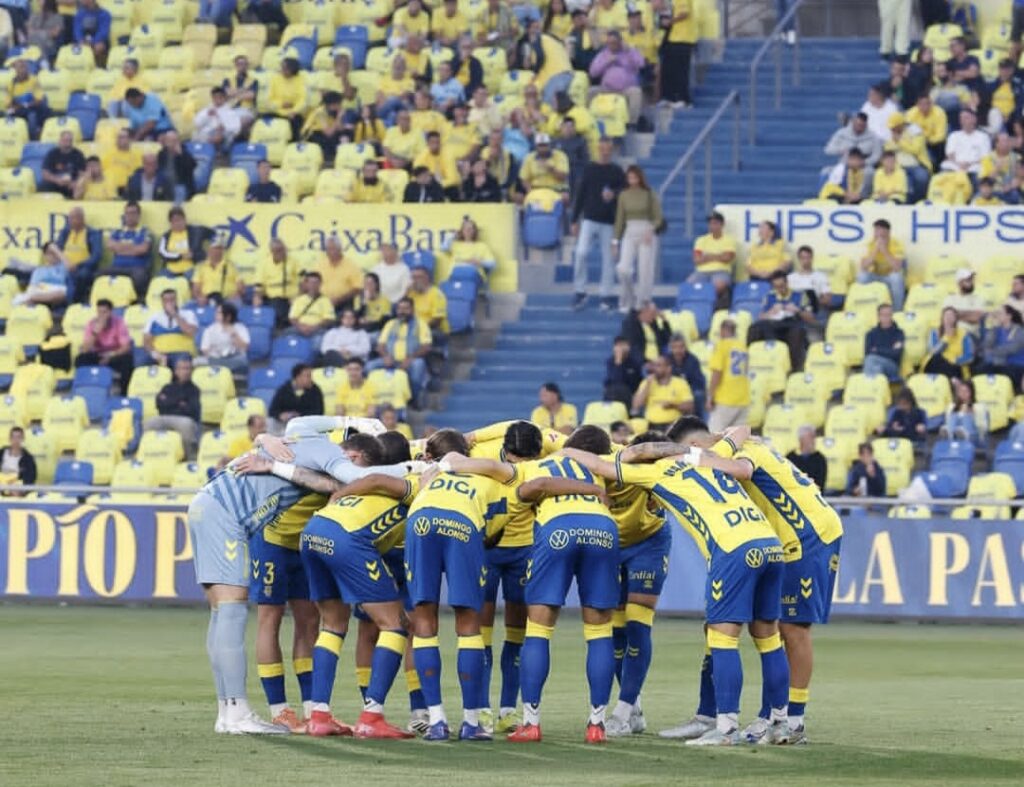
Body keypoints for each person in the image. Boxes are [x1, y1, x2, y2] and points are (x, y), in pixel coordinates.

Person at [185, 414, 417, 735]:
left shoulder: (298, 436)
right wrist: (412, 469)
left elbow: (324, 472)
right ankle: (237, 712)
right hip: (227, 514)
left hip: (208, 503)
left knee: (221, 613)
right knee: (232, 613)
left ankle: (228, 711)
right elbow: (351, 477)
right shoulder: (329, 453)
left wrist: (351, 419)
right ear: (353, 453)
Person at [565, 419, 790, 747]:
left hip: (733, 548)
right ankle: (781, 724)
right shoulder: (706, 457)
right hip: (770, 544)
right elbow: (741, 429)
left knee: (722, 640)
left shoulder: (654, 472)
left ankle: (726, 729)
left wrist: (565, 448)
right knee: (769, 639)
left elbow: (598, 463)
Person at [438, 430, 617, 743]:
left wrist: (446, 463)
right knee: (600, 630)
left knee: (539, 629)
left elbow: (462, 464)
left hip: (558, 529)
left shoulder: (529, 468)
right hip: (602, 527)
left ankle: (531, 723)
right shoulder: (596, 464)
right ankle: (596, 726)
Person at [670, 427, 842, 746]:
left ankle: (792, 722)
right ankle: (769, 718)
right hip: (789, 538)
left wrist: (693, 458)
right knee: (771, 628)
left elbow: (744, 468)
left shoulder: (741, 450)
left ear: (695, 444)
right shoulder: (739, 444)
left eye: (689, 451)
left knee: (793, 629)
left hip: (809, 536)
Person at [571, 137, 625, 311]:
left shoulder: (617, 171)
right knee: (580, 253)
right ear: (597, 149)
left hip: (609, 220)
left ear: (612, 150)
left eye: (608, 149)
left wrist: (614, 194)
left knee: (609, 259)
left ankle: (606, 295)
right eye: (602, 148)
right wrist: (574, 220)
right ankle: (580, 290)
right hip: (589, 218)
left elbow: (625, 191)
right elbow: (580, 194)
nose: (605, 151)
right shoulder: (589, 169)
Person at [614, 165, 665, 313]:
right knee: (623, 268)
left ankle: (643, 300)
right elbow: (620, 219)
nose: (632, 180)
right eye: (629, 177)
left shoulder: (649, 194)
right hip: (630, 230)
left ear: (640, 177)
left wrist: (652, 229)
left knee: (645, 270)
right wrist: (615, 240)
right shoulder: (624, 195)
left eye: (635, 177)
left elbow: (658, 217)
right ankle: (628, 297)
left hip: (646, 230)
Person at [747, 271, 814, 372]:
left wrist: (798, 310)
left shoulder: (800, 295)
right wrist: (771, 312)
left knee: (796, 332)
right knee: (755, 328)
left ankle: (794, 368)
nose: (780, 289)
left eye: (782, 286)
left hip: (792, 324)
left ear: (787, 283)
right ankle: (752, 361)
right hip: (774, 325)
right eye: (776, 287)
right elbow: (761, 317)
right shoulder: (770, 297)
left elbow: (811, 318)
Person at [370, 298, 433, 398]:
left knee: (418, 366)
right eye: (400, 309)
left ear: (412, 310)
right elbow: (380, 345)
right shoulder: (390, 324)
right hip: (390, 359)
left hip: (412, 359)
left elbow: (426, 346)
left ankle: (413, 399)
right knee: (370, 367)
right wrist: (386, 356)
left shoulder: (420, 324)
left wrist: (411, 358)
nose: (402, 312)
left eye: (406, 309)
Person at [144, 356, 202, 455]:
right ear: (176, 371)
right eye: (183, 369)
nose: (186, 372)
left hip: (184, 418)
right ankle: (148, 453)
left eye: (188, 369)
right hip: (165, 416)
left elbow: (191, 409)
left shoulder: (194, 389)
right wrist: (179, 402)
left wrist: (170, 401)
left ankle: (189, 455)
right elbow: (159, 404)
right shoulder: (168, 387)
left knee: (186, 425)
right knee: (150, 423)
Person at [77, 297, 133, 394]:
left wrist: (111, 355)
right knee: (80, 359)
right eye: (99, 312)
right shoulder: (91, 324)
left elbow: (126, 347)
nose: (101, 315)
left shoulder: (119, 323)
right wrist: (95, 333)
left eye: (104, 312)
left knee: (127, 360)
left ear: (111, 312)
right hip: (98, 354)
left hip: (114, 354)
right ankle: (85, 389)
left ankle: (124, 392)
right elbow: (85, 349)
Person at [589, 31, 645, 125]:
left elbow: (641, 64)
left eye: (614, 43)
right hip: (606, 89)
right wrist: (607, 62)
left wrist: (630, 51)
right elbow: (593, 72)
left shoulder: (629, 51)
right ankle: (588, 120)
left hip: (625, 90)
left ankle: (632, 123)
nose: (612, 45)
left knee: (636, 92)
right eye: (609, 43)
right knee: (590, 91)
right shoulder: (603, 54)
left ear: (620, 42)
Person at [707, 319, 750, 433]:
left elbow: (717, 373)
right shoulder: (743, 346)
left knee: (714, 436)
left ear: (722, 330)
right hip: (743, 398)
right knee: (737, 440)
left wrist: (710, 396)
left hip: (726, 398)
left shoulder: (722, 345)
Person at [631, 354, 694, 430]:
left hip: (673, 426)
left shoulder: (680, 383)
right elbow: (636, 405)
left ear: (668, 368)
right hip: (651, 426)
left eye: (658, 365)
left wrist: (673, 406)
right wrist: (647, 385)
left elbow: (690, 406)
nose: (654, 368)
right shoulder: (647, 382)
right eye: (654, 365)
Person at [106, 201, 153, 296]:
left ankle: (135, 301)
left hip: (136, 267)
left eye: (133, 213)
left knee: (140, 277)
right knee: (98, 275)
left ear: (139, 215)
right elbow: (110, 245)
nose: (130, 216)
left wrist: (120, 248)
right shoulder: (118, 231)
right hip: (117, 267)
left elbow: (143, 249)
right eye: (127, 213)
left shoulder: (145, 231)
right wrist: (133, 249)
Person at [56, 207, 103, 302]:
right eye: (69, 218)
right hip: (64, 266)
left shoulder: (92, 234)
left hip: (83, 268)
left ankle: (72, 303)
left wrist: (78, 265)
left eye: (73, 218)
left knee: (80, 276)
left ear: (81, 219)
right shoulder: (65, 232)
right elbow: (58, 249)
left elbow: (96, 256)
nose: (70, 221)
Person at [690, 211, 737, 305]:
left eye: (715, 223)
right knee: (688, 286)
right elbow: (696, 259)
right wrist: (718, 256)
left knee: (717, 286)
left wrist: (707, 257)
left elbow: (727, 258)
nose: (712, 226)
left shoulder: (729, 240)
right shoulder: (701, 240)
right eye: (710, 223)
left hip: (721, 271)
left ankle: (707, 306)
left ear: (722, 225)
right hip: (702, 272)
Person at [857, 218, 906, 309]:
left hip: (890, 277)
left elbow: (897, 267)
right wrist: (875, 250)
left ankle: (897, 310)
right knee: (862, 276)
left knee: (896, 277)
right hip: (876, 276)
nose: (878, 234)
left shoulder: (896, 244)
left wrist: (884, 250)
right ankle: (862, 308)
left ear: (888, 232)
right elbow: (863, 267)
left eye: (881, 231)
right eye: (876, 230)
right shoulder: (870, 244)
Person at [143, 288, 199, 366]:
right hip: (160, 354)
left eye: (172, 300)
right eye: (166, 300)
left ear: (176, 300)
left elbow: (191, 332)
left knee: (181, 361)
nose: (169, 303)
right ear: (162, 302)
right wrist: (155, 354)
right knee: (144, 362)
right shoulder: (154, 318)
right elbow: (146, 341)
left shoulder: (188, 314)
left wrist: (175, 315)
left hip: (182, 352)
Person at [658, 0, 695, 108]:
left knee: (681, 71)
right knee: (669, 69)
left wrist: (670, 21)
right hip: (673, 38)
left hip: (683, 39)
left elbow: (684, 13)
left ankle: (683, 99)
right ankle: (669, 97)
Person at [922, 306, 975, 379]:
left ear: (956, 319)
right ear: (942, 318)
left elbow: (969, 357)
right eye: (946, 316)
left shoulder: (964, 334)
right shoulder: (935, 332)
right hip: (936, 365)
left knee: (948, 366)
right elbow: (933, 352)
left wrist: (953, 360)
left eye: (951, 316)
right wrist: (946, 338)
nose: (948, 318)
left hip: (955, 366)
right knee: (936, 359)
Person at [978, 305, 1024, 389]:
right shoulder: (997, 329)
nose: (997, 316)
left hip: (1016, 364)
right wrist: (992, 328)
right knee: (980, 370)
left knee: (1007, 373)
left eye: (1000, 313)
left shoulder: (1019, 331)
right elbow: (986, 345)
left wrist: (992, 351)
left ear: (1009, 316)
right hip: (999, 363)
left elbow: (1011, 349)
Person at [196, 302, 250, 373]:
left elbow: (245, 348)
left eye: (219, 313)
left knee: (243, 360)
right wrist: (214, 352)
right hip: (216, 358)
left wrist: (234, 335)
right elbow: (204, 349)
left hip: (234, 358)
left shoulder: (240, 328)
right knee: (197, 362)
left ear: (228, 316)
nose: (216, 314)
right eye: (216, 312)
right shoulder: (210, 329)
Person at [269, 363, 325, 429]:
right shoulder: (284, 389)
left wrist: (299, 415)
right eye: (308, 376)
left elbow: (319, 412)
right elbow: (272, 410)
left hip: (307, 424)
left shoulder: (315, 390)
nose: (311, 379)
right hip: (285, 425)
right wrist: (280, 415)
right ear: (298, 377)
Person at [158, 206, 209, 277]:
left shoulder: (195, 232)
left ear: (185, 220)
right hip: (170, 270)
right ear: (171, 223)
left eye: (180, 220)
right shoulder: (166, 236)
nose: (178, 223)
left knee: (195, 277)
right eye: (175, 221)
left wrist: (193, 255)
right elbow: (162, 253)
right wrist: (180, 256)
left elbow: (202, 253)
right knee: (160, 280)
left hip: (190, 269)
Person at [288, 272, 336, 347]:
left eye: (316, 282)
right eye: (311, 282)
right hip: (299, 328)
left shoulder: (326, 301)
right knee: (289, 341)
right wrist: (301, 327)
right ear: (306, 284)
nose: (313, 285)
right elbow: (292, 318)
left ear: (320, 284)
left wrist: (313, 328)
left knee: (316, 345)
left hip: (318, 330)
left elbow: (328, 319)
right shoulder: (299, 300)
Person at [318, 236, 364, 312]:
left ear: (340, 249)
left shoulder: (351, 265)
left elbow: (358, 288)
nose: (329, 252)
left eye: (332, 249)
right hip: (322, 304)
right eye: (328, 249)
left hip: (344, 304)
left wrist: (339, 300)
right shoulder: (320, 265)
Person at [14, 242, 68, 307]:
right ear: (45, 255)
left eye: (55, 253)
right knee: (27, 295)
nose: (54, 255)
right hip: (41, 291)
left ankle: (34, 299)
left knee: (62, 293)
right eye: (50, 253)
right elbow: (32, 288)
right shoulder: (39, 270)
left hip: (57, 293)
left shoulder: (65, 266)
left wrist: (58, 252)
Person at [192, 86, 245, 151]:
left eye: (220, 97)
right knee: (196, 135)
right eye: (215, 97)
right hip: (207, 134)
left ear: (224, 98)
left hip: (223, 136)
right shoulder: (207, 110)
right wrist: (207, 115)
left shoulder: (230, 112)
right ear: (212, 98)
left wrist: (224, 127)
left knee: (220, 135)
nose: (217, 100)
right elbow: (197, 124)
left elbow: (236, 128)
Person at [941, 109, 990, 178]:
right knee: (945, 167)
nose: (963, 120)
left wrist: (968, 164)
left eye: (966, 118)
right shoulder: (954, 135)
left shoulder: (983, 137)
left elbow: (985, 157)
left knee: (980, 170)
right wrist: (959, 164)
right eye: (961, 118)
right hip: (956, 165)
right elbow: (950, 155)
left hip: (974, 166)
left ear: (974, 119)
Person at [191, 240, 242, 307]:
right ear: (208, 250)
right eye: (215, 248)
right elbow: (195, 288)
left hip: (227, 299)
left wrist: (236, 295)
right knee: (188, 305)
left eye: (219, 248)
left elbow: (241, 287)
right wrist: (200, 297)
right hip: (206, 299)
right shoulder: (200, 267)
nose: (217, 251)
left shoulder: (231, 266)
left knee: (237, 303)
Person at [267, 57, 308, 139]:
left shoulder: (301, 79)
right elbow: (269, 100)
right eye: (282, 67)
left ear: (292, 69)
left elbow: (303, 100)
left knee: (295, 123)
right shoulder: (274, 79)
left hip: (294, 113)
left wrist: (294, 111)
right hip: (278, 111)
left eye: (285, 68)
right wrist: (281, 104)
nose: (282, 70)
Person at [863, 303, 905, 381]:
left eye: (889, 315)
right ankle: (877, 388)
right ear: (878, 316)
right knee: (877, 368)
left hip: (892, 366)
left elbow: (896, 354)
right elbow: (867, 352)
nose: (886, 317)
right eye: (883, 315)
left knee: (871, 359)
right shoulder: (871, 334)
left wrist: (877, 350)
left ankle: (868, 385)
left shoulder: (899, 333)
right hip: (875, 364)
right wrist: (888, 351)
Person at [668, 334, 707, 417]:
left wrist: (685, 393)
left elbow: (699, 383)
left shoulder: (693, 360)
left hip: (689, 392)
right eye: (675, 347)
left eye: (681, 347)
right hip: (670, 391)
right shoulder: (666, 360)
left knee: (699, 394)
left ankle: (700, 422)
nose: (678, 350)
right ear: (671, 348)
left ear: (685, 347)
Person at [787, 245, 831, 316]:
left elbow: (827, 299)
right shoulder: (790, 278)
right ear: (799, 259)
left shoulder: (821, 276)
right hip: (793, 309)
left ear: (812, 258)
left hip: (812, 309)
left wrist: (812, 301)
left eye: (808, 257)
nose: (806, 261)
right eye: (803, 258)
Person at [941, 378, 987, 446]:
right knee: (953, 418)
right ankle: (951, 435)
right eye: (961, 391)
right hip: (953, 434)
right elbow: (948, 422)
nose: (963, 394)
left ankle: (962, 434)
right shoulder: (951, 406)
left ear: (971, 392)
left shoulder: (979, 407)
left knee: (966, 418)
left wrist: (972, 413)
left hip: (974, 436)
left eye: (966, 391)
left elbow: (983, 429)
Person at [41, 130, 86, 198]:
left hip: (71, 184)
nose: (67, 143)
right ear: (60, 140)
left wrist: (76, 183)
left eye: (69, 140)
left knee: (79, 188)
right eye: (65, 140)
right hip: (55, 182)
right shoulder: (52, 153)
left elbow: (82, 174)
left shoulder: (78, 155)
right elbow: (45, 174)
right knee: (44, 185)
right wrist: (57, 180)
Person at [407, 267, 449, 336]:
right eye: (413, 277)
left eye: (419, 277)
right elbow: (400, 311)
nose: (415, 280)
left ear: (427, 278)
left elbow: (437, 320)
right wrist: (406, 292)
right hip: (414, 328)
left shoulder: (437, 294)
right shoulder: (411, 293)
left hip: (434, 330)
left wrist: (420, 329)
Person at [605, 334, 644, 405]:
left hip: (630, 395)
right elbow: (616, 380)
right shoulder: (611, 362)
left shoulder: (634, 362)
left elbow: (636, 381)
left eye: (624, 345)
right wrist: (618, 362)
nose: (621, 349)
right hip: (613, 395)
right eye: (618, 346)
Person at [786, 426, 827, 490]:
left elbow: (820, 483)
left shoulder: (820, 458)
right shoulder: (790, 457)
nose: (814, 440)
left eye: (814, 437)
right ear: (801, 439)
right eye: (810, 437)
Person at [0, 426, 36, 491]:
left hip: (17, 486)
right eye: (13, 437)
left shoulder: (28, 458)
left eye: (19, 437)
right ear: (9, 439)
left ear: (23, 439)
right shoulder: (1, 453)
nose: (16, 440)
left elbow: (30, 478)